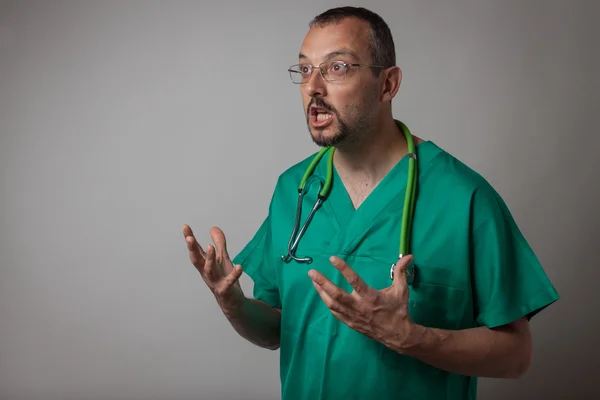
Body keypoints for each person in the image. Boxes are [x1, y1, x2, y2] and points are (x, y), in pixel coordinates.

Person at [182, 6, 559, 400]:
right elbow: (278, 328)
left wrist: (411, 337)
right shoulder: (294, 189)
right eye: (305, 69)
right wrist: (235, 306)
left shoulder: (464, 199)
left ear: (388, 84)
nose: (313, 88)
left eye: (337, 67)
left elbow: (517, 354)